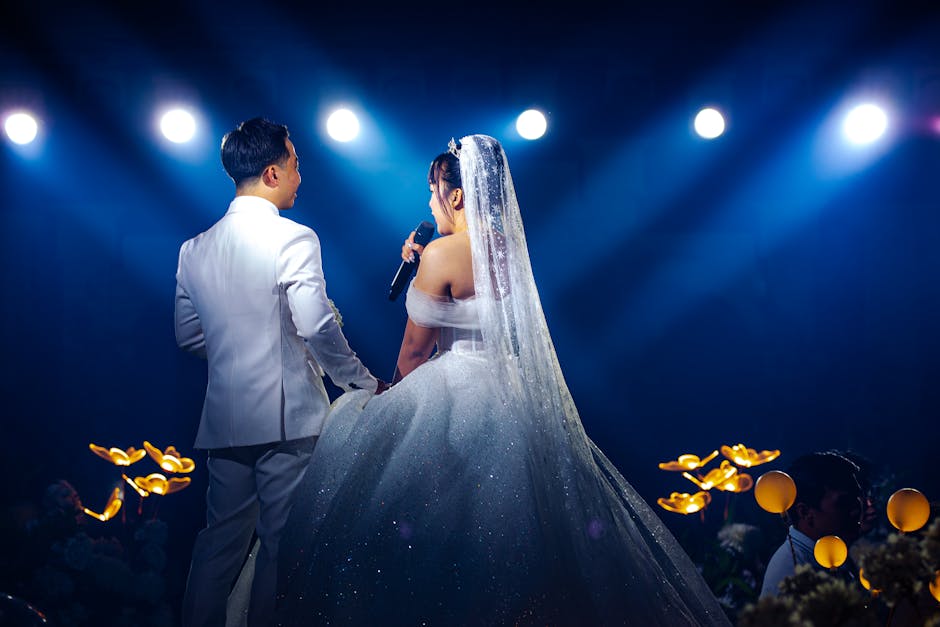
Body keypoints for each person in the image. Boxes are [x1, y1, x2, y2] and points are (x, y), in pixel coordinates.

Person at [272, 135, 730, 625]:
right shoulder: (507, 247)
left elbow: (415, 351)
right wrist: (424, 261)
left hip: (450, 389)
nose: (429, 204)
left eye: (432, 192)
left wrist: (389, 401)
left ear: (457, 195)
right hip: (507, 389)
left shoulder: (443, 254)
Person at [175, 117, 385, 627]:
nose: (299, 175)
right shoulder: (293, 237)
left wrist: (239, 353)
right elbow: (315, 324)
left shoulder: (193, 248)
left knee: (217, 545)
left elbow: (188, 336)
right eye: (295, 164)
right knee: (281, 546)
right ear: (272, 173)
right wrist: (361, 382)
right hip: (288, 418)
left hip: (224, 419)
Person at [759, 451, 865, 597]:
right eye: (844, 502)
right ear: (804, 512)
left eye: (858, 499)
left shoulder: (831, 555)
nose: (856, 510)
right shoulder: (791, 573)